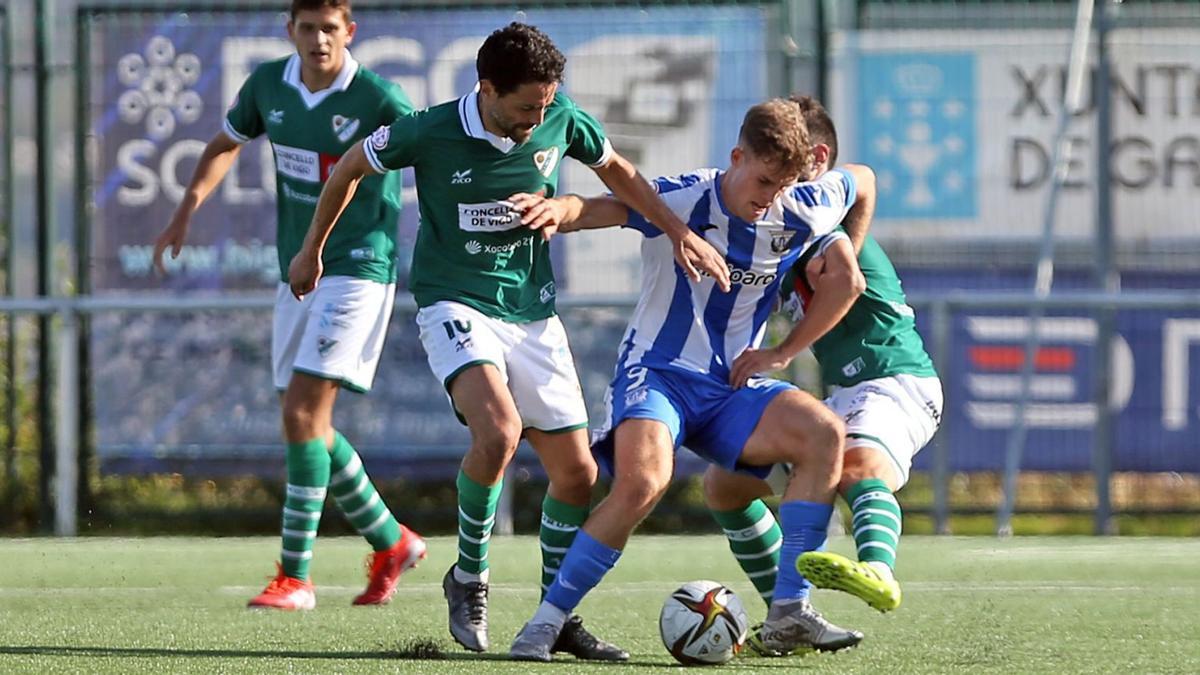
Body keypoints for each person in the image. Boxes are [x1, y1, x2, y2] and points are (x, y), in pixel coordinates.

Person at [287, 22, 729, 659]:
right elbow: (351, 166)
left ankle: (555, 617)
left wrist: (676, 231)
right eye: (527, 106)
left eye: (546, 105)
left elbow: (623, 174)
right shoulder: (428, 129)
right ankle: (469, 575)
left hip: (533, 314)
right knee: (498, 432)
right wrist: (312, 250)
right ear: (487, 89)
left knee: (577, 475)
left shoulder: (560, 118)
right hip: (454, 302)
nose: (538, 118)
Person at [503, 98, 877, 661]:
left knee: (825, 434)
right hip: (659, 374)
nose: (770, 196)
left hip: (731, 387)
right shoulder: (685, 196)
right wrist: (559, 210)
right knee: (644, 482)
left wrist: (784, 349)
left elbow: (864, 182)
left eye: (784, 185)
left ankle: (788, 613)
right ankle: (546, 623)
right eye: (763, 179)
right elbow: (605, 207)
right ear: (736, 156)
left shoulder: (802, 206)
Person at [152, 0, 425, 611]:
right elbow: (224, 143)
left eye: (330, 28)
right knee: (309, 425)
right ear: (291, 31)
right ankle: (391, 540)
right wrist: (186, 208)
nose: (319, 40)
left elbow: (431, 151)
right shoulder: (268, 85)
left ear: (348, 31)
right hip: (297, 271)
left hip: (358, 269)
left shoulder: (379, 98)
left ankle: (296, 577)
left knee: (302, 414)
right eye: (308, 28)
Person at [704, 95, 943, 626]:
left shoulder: (820, 222)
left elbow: (862, 183)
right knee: (726, 488)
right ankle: (786, 612)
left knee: (857, 465)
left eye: (789, 160)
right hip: (844, 391)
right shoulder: (785, 226)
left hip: (894, 378)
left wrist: (782, 354)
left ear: (815, 157)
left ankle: (878, 570)